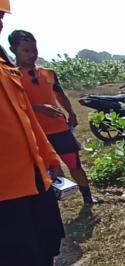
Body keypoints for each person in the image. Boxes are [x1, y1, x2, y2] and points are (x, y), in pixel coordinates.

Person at [0, 1, 86, 266]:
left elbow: (26, 122)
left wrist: (50, 159)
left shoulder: (6, 68)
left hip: (34, 181)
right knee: (20, 262)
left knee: (45, 248)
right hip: (5, 192)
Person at [9, 29, 101, 205]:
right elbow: (13, 104)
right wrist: (39, 108)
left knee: (74, 163)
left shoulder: (48, 73)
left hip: (59, 128)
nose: (32, 55)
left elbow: (59, 94)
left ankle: (88, 197)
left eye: (34, 50)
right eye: (26, 51)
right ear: (13, 50)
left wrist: (71, 112)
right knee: (44, 169)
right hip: (34, 132)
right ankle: (51, 203)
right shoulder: (11, 76)